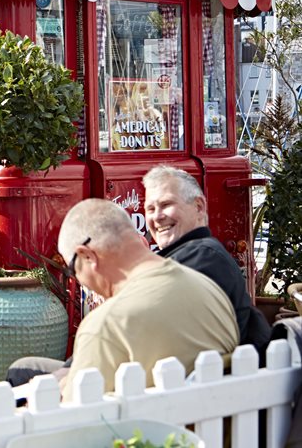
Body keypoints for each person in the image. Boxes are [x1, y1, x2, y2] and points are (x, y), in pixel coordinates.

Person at [58, 198, 238, 398]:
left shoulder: (106, 325)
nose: (79, 280)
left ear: (87, 256)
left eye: (72, 270)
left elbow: (74, 419)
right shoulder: (210, 289)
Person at [142, 165, 271, 354]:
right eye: (150, 208)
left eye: (166, 205)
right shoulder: (196, 254)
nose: (157, 217)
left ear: (199, 207)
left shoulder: (202, 258)